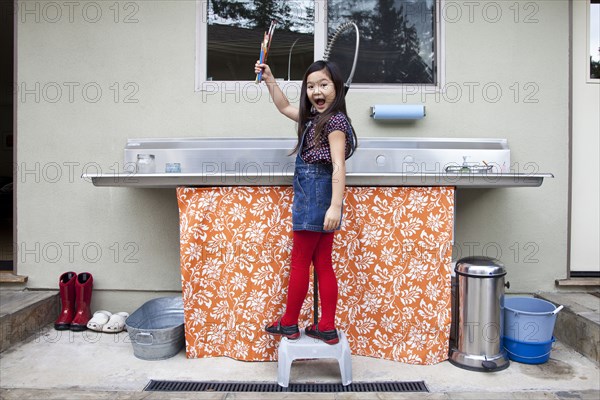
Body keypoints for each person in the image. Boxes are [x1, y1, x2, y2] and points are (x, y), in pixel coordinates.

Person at [254, 59, 358, 345]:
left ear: (338, 88)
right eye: (311, 86)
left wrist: (336, 206)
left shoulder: (334, 122)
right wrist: (270, 77)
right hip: (316, 195)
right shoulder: (313, 119)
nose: (316, 91)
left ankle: (289, 323)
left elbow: (338, 166)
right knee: (323, 262)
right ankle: (326, 326)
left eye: (323, 84)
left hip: (315, 196)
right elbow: (284, 106)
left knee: (300, 262)